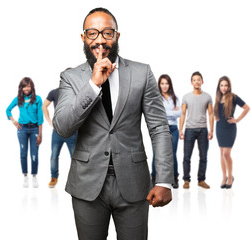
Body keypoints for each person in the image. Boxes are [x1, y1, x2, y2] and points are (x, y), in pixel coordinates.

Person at [53, 7, 173, 240]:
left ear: (117, 36)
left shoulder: (142, 73)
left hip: (134, 183)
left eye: (107, 33)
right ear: (83, 38)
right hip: (87, 185)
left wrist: (164, 179)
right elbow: (63, 127)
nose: (100, 40)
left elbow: (158, 128)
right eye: (93, 33)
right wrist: (94, 84)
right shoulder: (70, 77)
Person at [6, 77, 43, 188]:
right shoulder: (18, 99)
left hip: (35, 129)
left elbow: (40, 117)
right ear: (21, 88)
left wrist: (40, 135)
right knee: (23, 153)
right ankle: (25, 176)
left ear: (32, 87)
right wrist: (13, 121)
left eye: (28, 86)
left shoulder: (37, 99)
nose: (26, 88)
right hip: (22, 129)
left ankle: (34, 176)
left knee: (34, 154)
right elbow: (8, 110)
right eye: (24, 86)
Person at [179, 71, 214, 189]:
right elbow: (183, 114)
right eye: (194, 80)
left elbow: (211, 114)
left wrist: (211, 130)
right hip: (189, 129)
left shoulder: (207, 97)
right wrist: (180, 130)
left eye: (199, 79)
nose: (197, 82)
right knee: (186, 157)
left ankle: (201, 180)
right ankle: (186, 180)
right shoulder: (186, 97)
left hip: (203, 130)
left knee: (203, 156)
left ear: (202, 82)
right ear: (191, 82)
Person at [214, 76, 250, 189]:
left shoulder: (233, 97)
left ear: (229, 86)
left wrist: (237, 119)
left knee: (226, 154)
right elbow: (217, 112)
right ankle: (224, 177)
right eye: (221, 85)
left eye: (226, 85)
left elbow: (247, 108)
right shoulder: (218, 98)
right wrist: (216, 117)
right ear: (219, 87)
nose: (224, 88)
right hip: (219, 128)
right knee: (221, 153)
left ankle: (230, 177)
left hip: (230, 129)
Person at [42, 88, 77, 188]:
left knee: (75, 157)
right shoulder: (54, 92)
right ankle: (53, 177)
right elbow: (44, 106)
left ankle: (76, 178)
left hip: (72, 131)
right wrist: (49, 121)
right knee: (54, 156)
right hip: (57, 131)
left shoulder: (75, 91)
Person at [152, 74, 181, 189]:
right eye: (162, 83)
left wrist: (164, 112)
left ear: (170, 85)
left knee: (172, 154)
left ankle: (174, 177)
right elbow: (156, 113)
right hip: (159, 128)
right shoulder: (156, 98)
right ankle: (154, 177)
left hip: (173, 129)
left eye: (166, 83)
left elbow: (179, 113)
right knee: (157, 154)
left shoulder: (175, 98)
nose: (164, 86)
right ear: (159, 84)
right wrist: (171, 112)